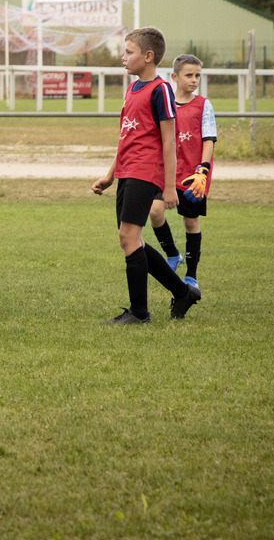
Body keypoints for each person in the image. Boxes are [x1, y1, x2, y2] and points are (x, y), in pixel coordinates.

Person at [91, 28, 203, 324]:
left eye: (129, 52)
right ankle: (183, 293)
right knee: (132, 239)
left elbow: (169, 140)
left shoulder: (160, 89)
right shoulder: (132, 89)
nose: (123, 57)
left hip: (145, 171)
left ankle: (139, 313)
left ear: (148, 56)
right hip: (127, 171)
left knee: (129, 237)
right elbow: (126, 137)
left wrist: (169, 188)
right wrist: (110, 176)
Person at [150, 54, 215, 291]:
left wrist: (203, 169)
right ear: (175, 77)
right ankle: (172, 254)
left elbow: (208, 140)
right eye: (188, 75)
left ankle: (191, 275)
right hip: (165, 172)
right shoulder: (166, 103)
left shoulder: (203, 105)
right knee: (154, 211)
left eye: (197, 75)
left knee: (190, 222)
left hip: (192, 175)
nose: (194, 80)